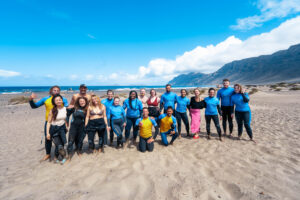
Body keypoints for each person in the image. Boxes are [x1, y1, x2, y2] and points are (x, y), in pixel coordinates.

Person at [29, 85, 69, 161]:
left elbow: (67, 111)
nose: (56, 91)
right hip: (49, 122)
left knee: (61, 140)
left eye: (58, 90)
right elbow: (34, 106)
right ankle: (48, 154)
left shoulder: (63, 99)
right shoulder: (45, 99)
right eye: (54, 90)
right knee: (48, 138)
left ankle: (58, 155)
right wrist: (31, 100)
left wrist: (67, 123)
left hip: (61, 123)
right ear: (51, 91)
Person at [46, 94, 68, 164]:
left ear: (62, 100)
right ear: (54, 102)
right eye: (56, 100)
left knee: (62, 144)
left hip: (62, 128)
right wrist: (47, 133)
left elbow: (64, 119)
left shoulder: (65, 109)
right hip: (54, 129)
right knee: (59, 145)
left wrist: (66, 127)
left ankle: (57, 157)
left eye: (60, 100)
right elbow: (48, 122)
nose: (58, 101)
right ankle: (63, 156)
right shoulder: (52, 110)